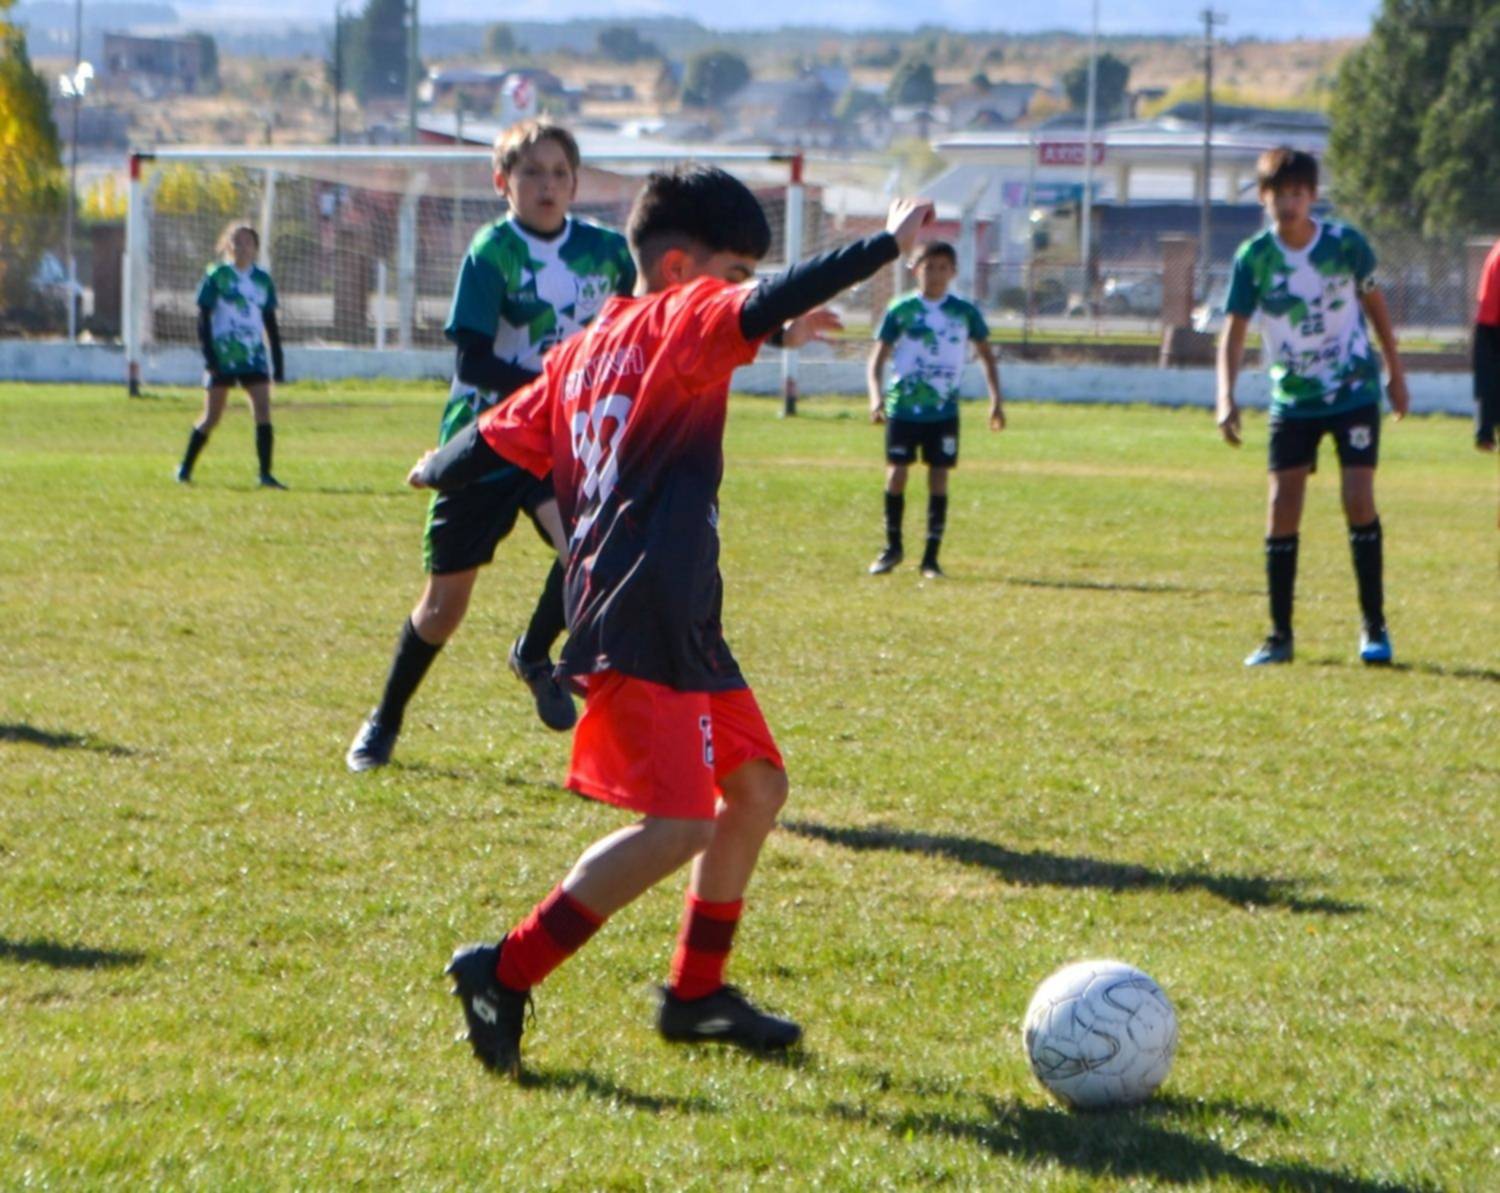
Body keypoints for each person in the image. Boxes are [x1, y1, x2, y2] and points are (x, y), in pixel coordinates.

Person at [410, 167, 932, 1077]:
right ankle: (504, 969)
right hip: (644, 609)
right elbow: (759, 303)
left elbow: (495, 435)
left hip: (675, 611)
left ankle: (696, 994)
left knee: (756, 788)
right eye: (734, 276)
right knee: (681, 824)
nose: (741, 296)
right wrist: (884, 246)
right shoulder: (686, 315)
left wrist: (435, 464)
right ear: (683, 268)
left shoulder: (581, 352)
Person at [345, 120, 636, 771]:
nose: (547, 185)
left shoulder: (607, 252)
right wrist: (556, 383)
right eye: (531, 172)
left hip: (556, 441)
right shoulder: (491, 252)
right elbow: (473, 361)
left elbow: (633, 329)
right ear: (502, 181)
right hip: (488, 437)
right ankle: (384, 719)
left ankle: (533, 653)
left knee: (588, 549)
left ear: (576, 183)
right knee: (443, 609)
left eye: (559, 173)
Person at [1215, 147, 1410, 667]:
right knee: (1282, 506)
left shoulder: (1346, 245)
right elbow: (1234, 330)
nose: (1289, 204)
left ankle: (1374, 626)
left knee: (1359, 499)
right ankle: (1279, 635)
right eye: (1279, 194)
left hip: (1352, 390)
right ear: (1264, 198)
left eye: (1298, 194)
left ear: (1313, 196)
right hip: (1293, 398)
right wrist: (1225, 396)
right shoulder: (1254, 258)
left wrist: (1395, 370)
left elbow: (1375, 305)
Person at [866, 240, 1003, 578]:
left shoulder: (964, 312)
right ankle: (892, 547)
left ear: (953, 272)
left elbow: (986, 356)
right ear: (915, 270)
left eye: (943, 268)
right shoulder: (901, 309)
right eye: (929, 267)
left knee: (939, 476)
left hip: (943, 410)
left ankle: (931, 558)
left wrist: (996, 402)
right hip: (903, 407)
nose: (936, 274)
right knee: (896, 473)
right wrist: (875, 397)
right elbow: (876, 359)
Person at [176, 223, 286, 488]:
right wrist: (209, 356)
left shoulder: (263, 280)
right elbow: (203, 318)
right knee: (212, 416)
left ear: (256, 247)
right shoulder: (217, 276)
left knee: (263, 411)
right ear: (227, 245)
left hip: (253, 356)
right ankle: (185, 469)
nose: (242, 247)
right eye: (236, 241)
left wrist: (278, 361)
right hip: (223, 355)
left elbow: (270, 322)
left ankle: (265, 475)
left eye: (247, 242)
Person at [1472, 237, 1499, 453]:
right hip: (1493, 323)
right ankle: (1485, 433)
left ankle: (1485, 433)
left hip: (1488, 323)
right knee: (1489, 382)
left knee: (1487, 381)